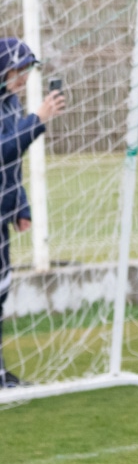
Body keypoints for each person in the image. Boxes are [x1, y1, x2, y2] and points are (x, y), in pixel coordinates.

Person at [0, 38, 65, 388]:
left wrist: (20, 205)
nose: (23, 77)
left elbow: (12, 163)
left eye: (27, 70)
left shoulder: (10, 104)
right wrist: (37, 119)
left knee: (1, 292)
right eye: (18, 70)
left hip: (1, 216)